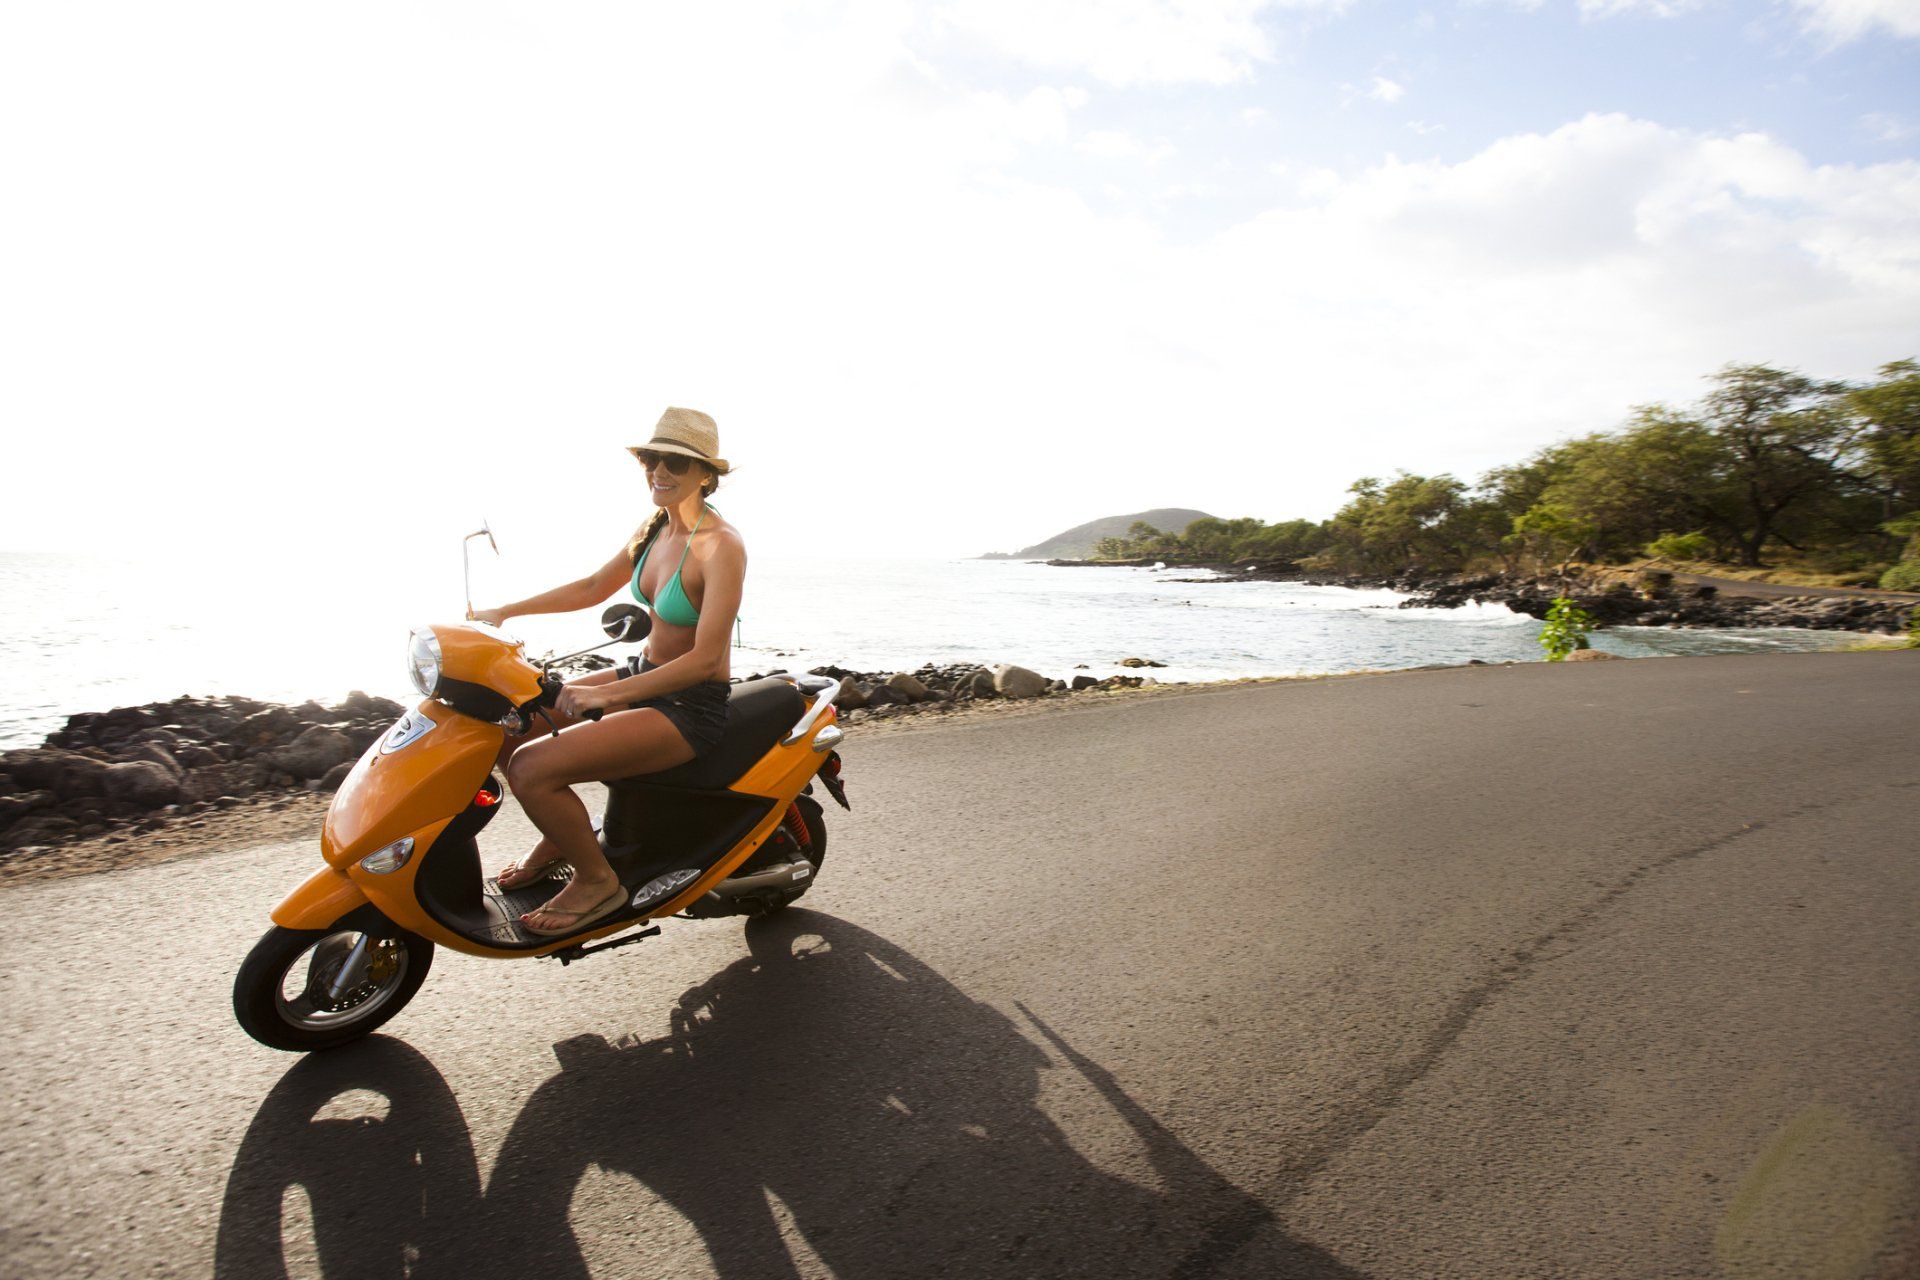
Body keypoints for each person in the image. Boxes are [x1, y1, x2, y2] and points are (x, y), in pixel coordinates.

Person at [467, 407, 746, 937]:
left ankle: (598, 881)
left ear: (707, 476)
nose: (659, 471)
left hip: (689, 705)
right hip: (643, 674)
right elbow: (593, 587)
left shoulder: (722, 547)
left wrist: (614, 698)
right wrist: (503, 612)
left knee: (529, 767)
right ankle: (562, 842)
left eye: (676, 464)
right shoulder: (656, 528)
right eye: (651, 459)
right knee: (513, 723)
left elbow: (707, 659)